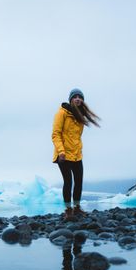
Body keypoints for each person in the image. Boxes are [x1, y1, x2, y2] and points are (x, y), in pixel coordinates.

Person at [52, 88, 100, 218]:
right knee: (68, 182)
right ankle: (68, 210)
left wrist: (79, 149)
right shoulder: (62, 113)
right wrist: (61, 151)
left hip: (77, 154)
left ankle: (77, 208)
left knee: (79, 181)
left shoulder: (80, 116)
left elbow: (76, 137)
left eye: (80, 97)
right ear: (71, 99)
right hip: (63, 155)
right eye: (75, 97)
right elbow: (56, 134)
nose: (78, 99)